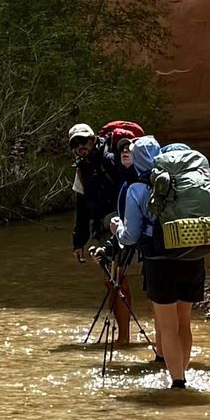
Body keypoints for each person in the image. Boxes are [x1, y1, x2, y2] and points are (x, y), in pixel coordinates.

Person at [113, 134, 210, 389]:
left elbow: (131, 236)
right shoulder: (181, 184)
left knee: (167, 327)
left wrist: (116, 229)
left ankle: (178, 382)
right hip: (192, 255)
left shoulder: (137, 190)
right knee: (184, 321)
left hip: (159, 262)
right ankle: (182, 371)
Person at [69, 120, 134, 343]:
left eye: (83, 141)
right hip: (101, 228)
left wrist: (124, 224)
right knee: (112, 281)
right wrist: (79, 242)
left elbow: (129, 189)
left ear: (93, 139)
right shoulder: (82, 167)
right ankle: (121, 334)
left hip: (118, 226)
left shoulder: (108, 159)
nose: (80, 146)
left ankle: (123, 337)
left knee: (117, 281)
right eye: (75, 143)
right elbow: (82, 206)